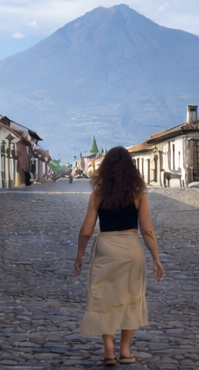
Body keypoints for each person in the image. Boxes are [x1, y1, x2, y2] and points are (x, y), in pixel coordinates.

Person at [72, 146, 164, 366]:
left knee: (104, 297)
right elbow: (148, 230)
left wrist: (80, 254)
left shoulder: (98, 194)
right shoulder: (138, 194)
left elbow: (86, 229)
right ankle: (125, 350)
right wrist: (156, 258)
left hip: (106, 248)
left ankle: (109, 351)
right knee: (132, 298)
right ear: (131, 169)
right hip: (132, 249)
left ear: (106, 169)